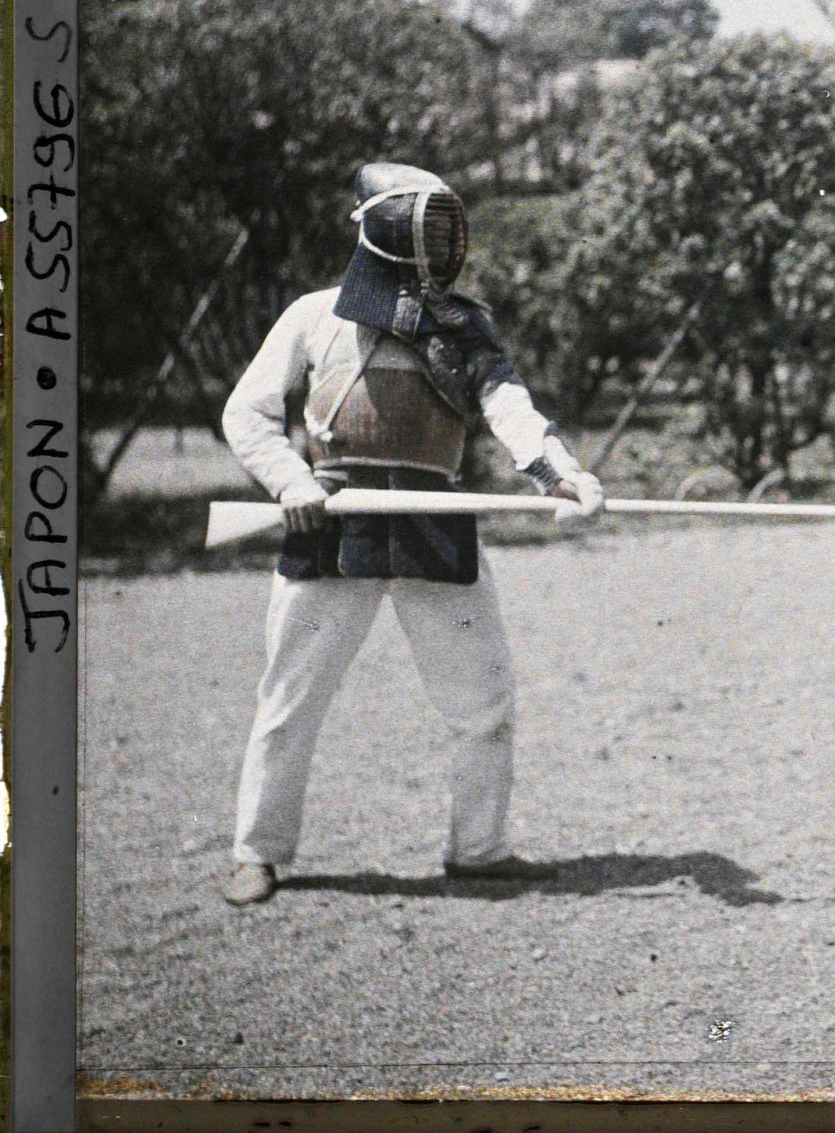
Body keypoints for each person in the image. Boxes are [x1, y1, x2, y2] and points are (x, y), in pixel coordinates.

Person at [218, 162, 606, 907]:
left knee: (484, 700)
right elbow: (248, 413)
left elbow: (512, 408)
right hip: (333, 524)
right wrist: (292, 482)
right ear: (373, 222)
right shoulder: (313, 315)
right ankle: (256, 851)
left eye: (442, 226)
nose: (436, 241)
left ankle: (480, 849)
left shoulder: (463, 326)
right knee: (291, 700)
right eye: (420, 223)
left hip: (436, 523)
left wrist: (563, 473)